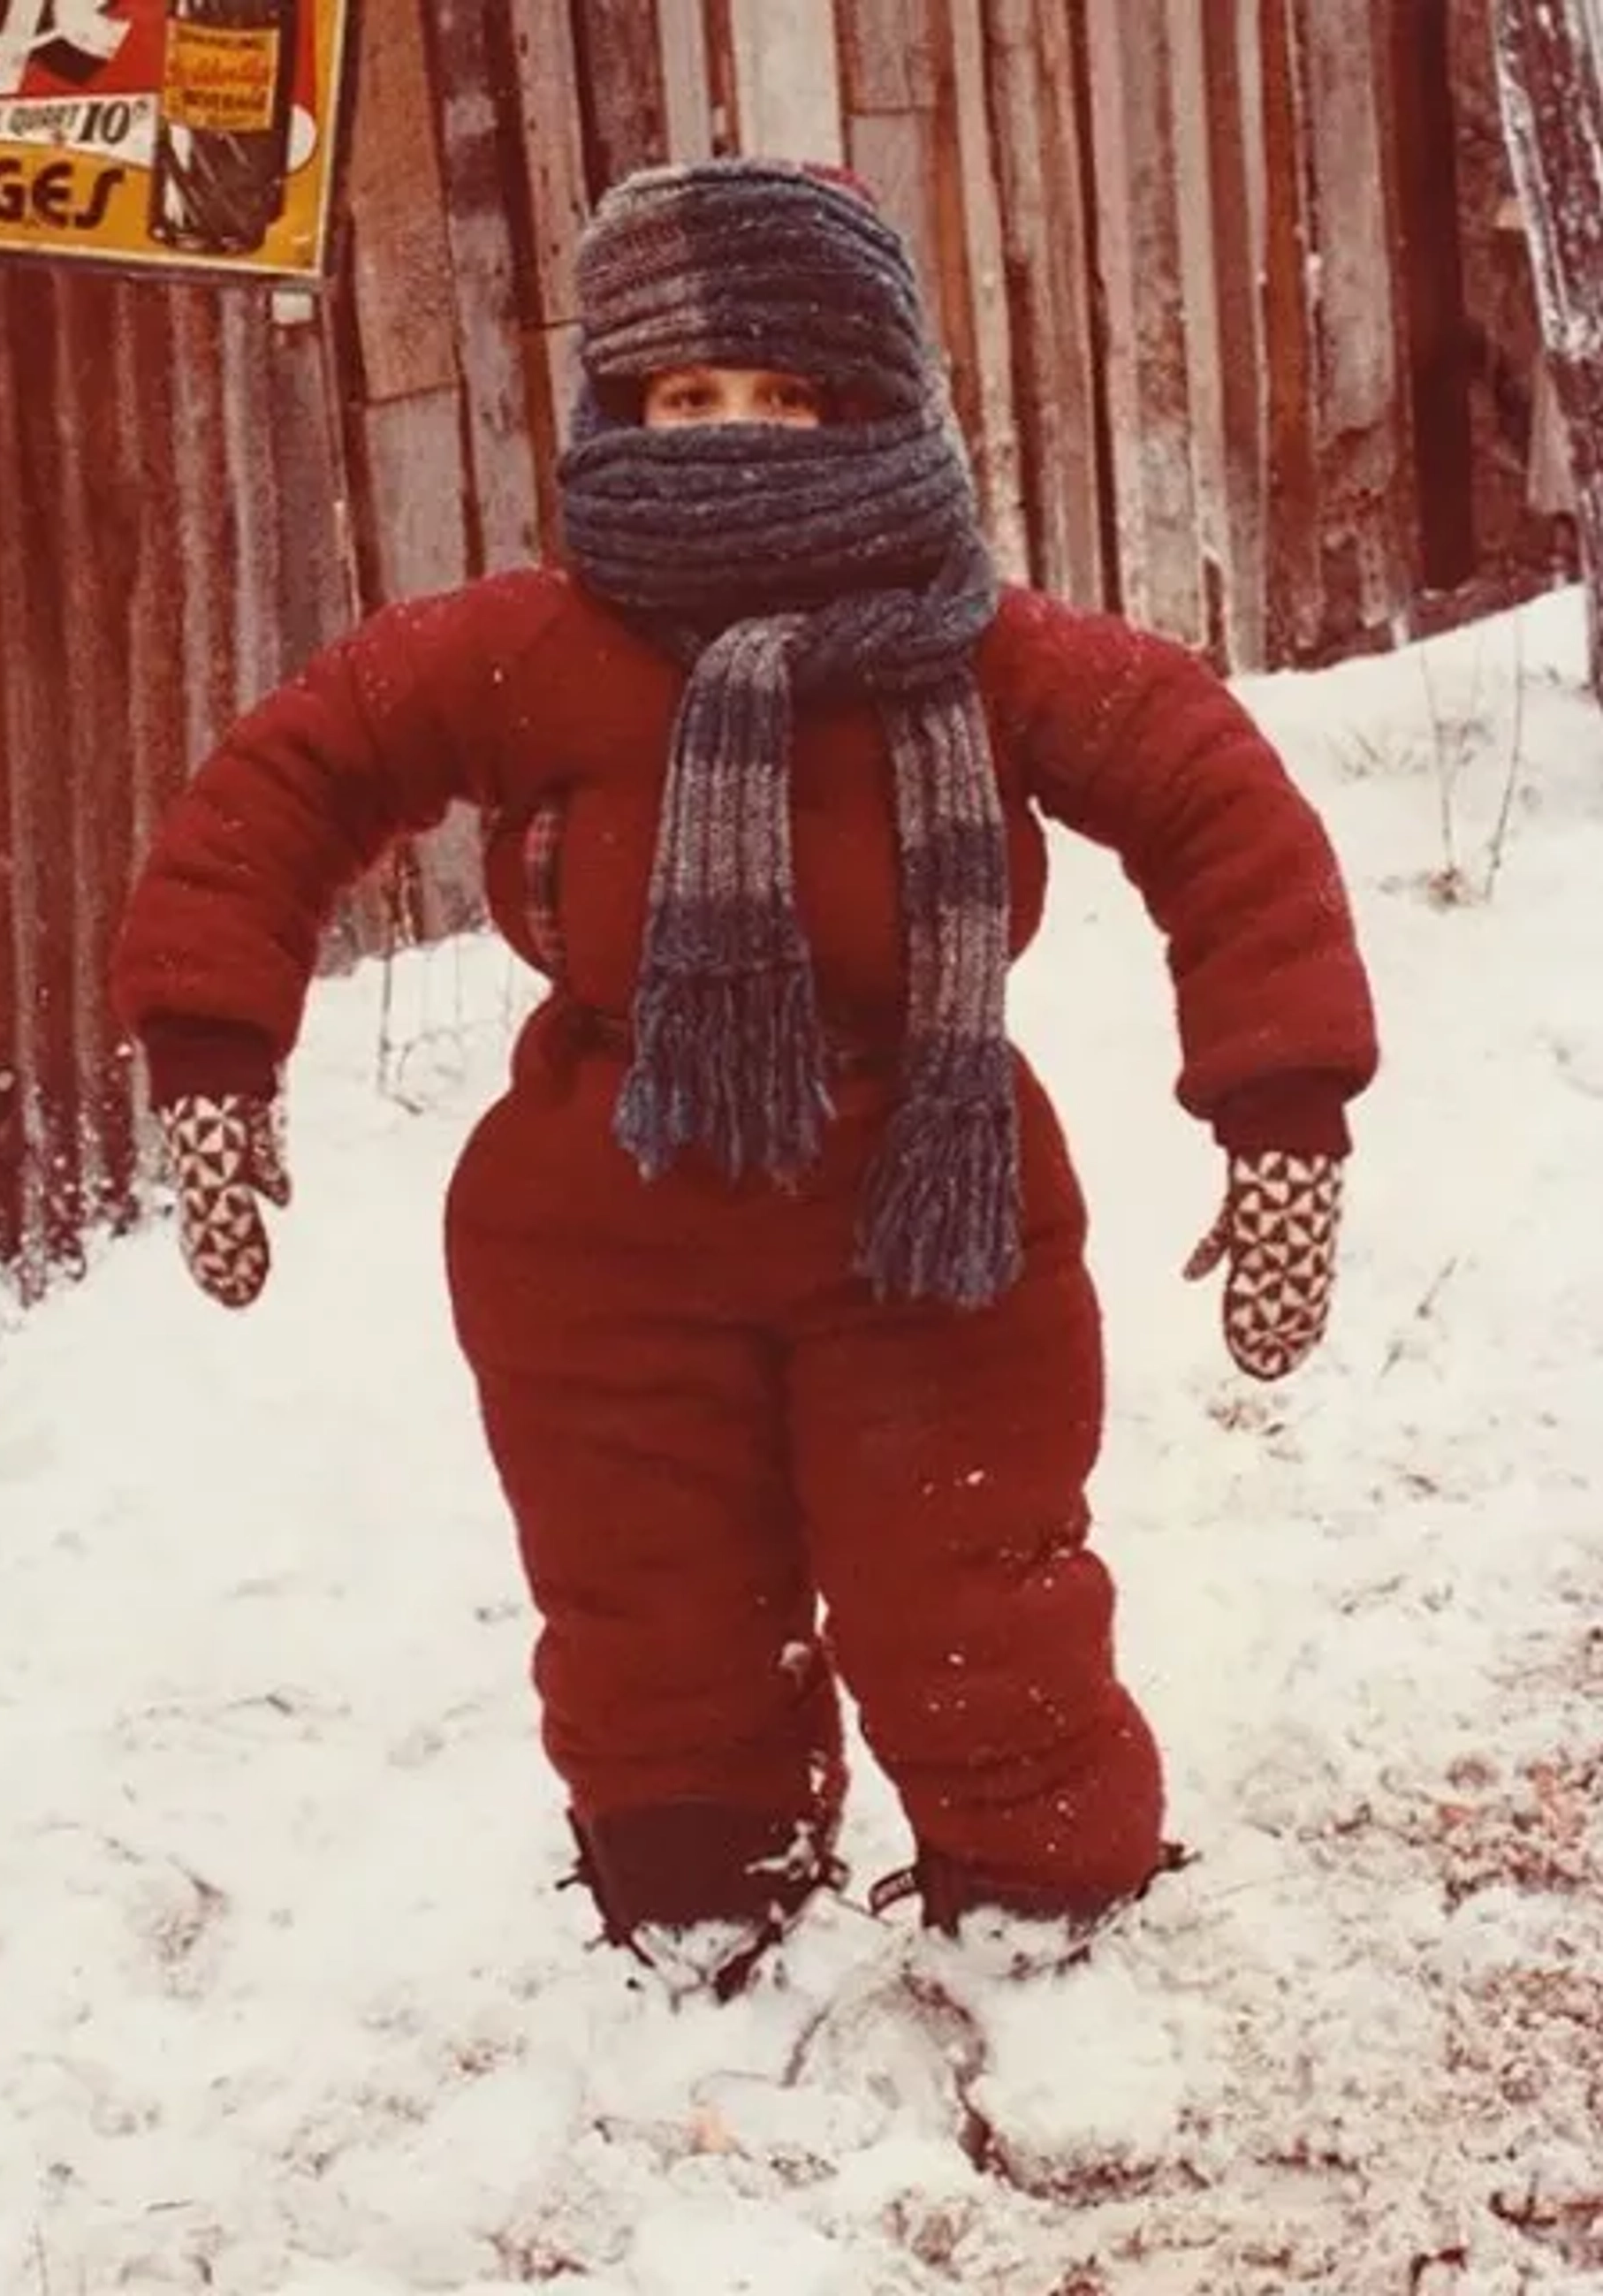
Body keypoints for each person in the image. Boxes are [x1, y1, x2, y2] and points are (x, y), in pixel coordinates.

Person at [110, 157, 1378, 1999]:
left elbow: (1215, 802)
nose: (735, 443)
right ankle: (698, 1889)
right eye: (685, 400)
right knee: (647, 1595)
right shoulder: (540, 644)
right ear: (614, 411)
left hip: (924, 1206)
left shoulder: (986, 648)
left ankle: (1042, 1918)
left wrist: (1284, 1113)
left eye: (787, 397)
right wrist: (217, 1052)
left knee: (974, 1584)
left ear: (879, 405)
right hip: (599, 1220)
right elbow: (296, 772)